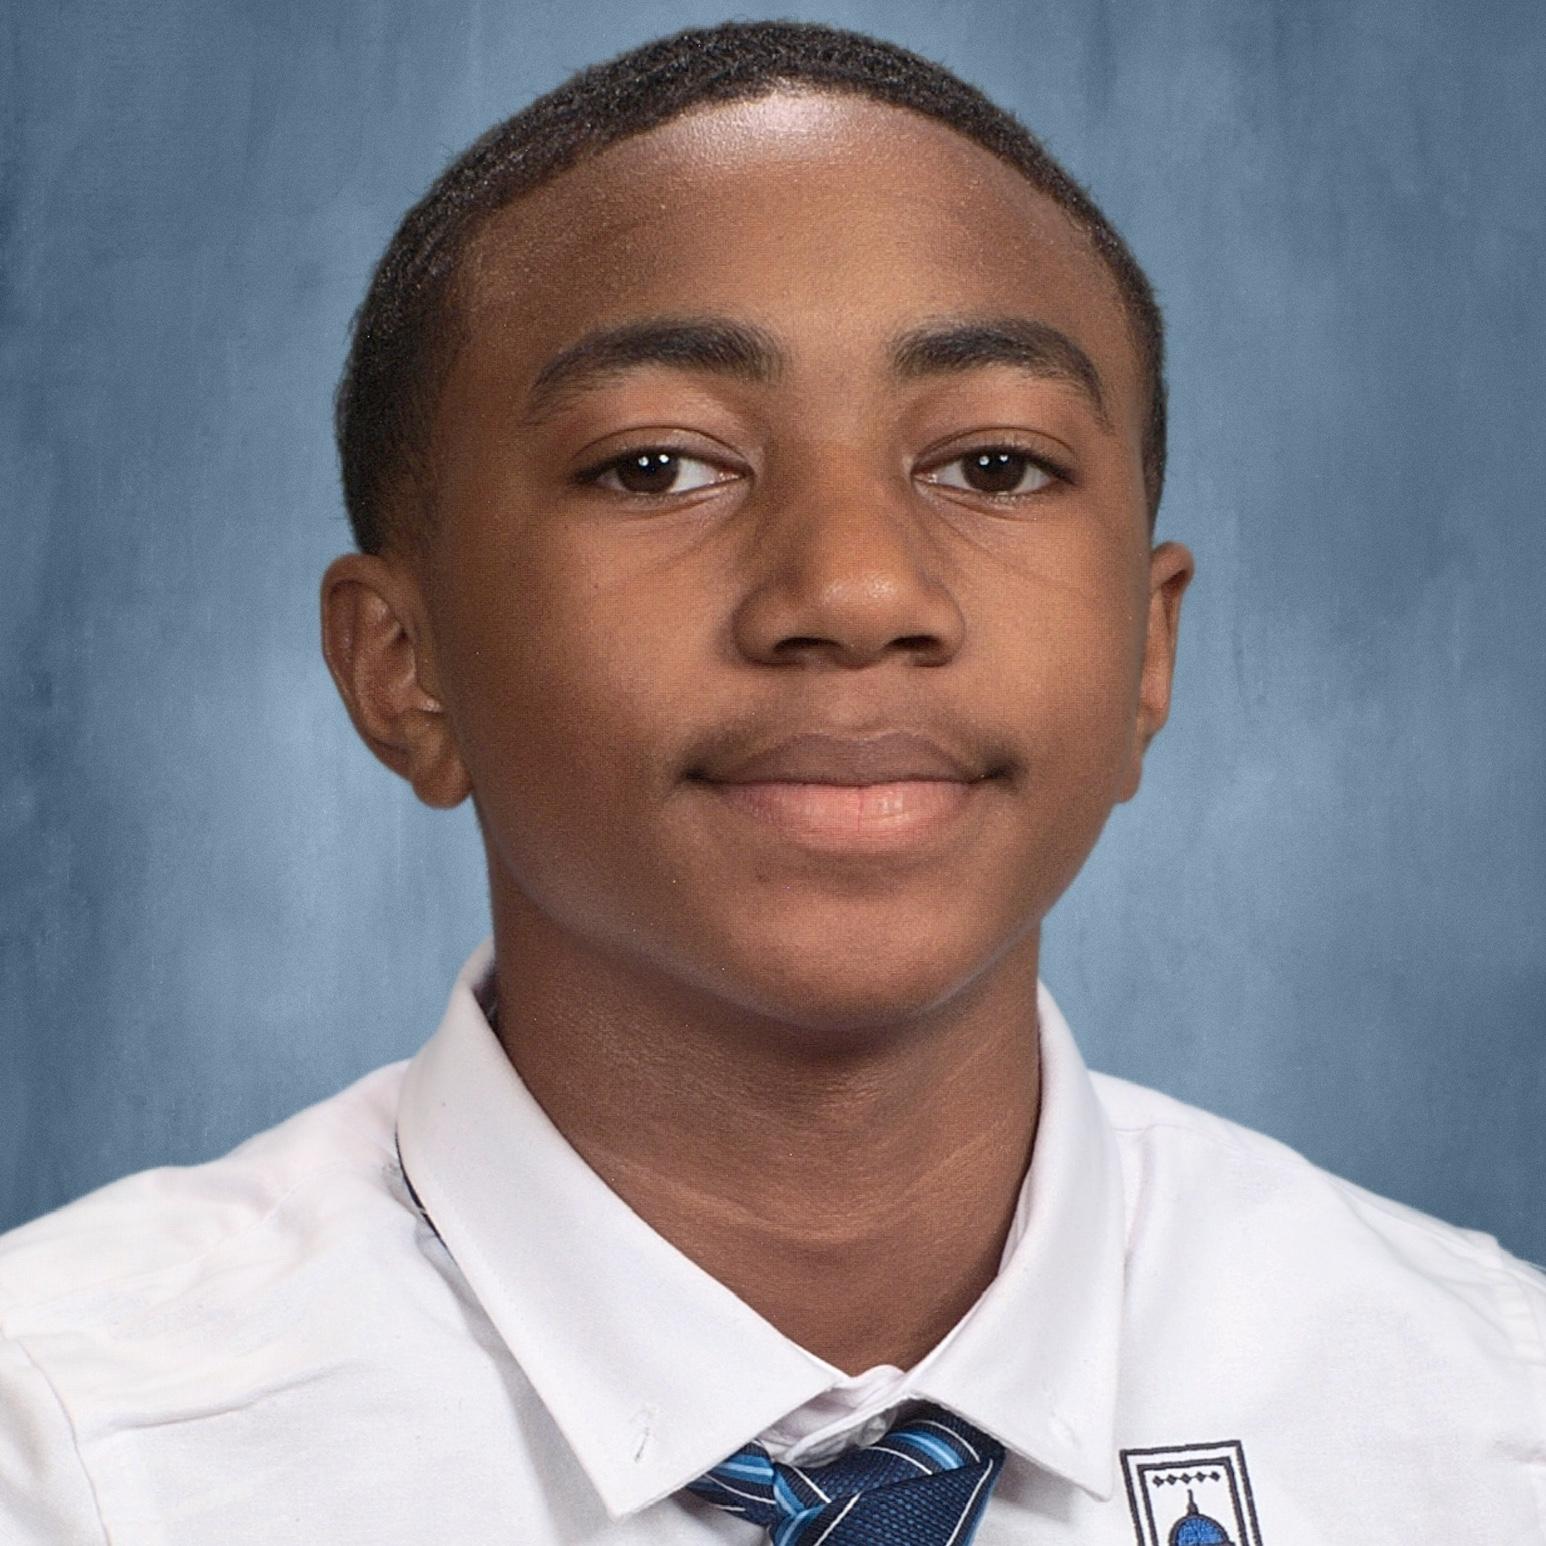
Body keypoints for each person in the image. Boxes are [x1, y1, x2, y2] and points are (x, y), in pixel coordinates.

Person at [1, 19, 1541, 1545]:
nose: (857, 590)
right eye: (657, 464)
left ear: (1148, 650)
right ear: (404, 666)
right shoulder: (72, 1455)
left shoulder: (1484, 1420)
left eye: (992, 464)